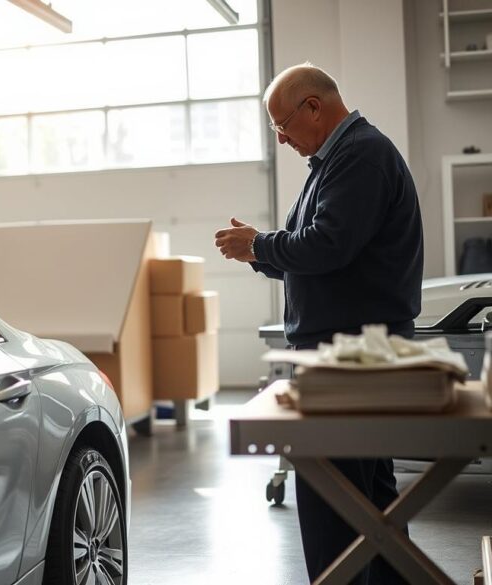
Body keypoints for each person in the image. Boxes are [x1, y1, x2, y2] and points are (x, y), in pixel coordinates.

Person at [214, 62, 422, 584]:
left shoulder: (361, 157)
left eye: (283, 125)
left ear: (314, 106)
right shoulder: (338, 161)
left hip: (351, 358)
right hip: (348, 355)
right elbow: (322, 252)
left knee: (335, 504)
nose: (281, 138)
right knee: (369, 505)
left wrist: (260, 244)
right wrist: (259, 253)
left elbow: (327, 246)